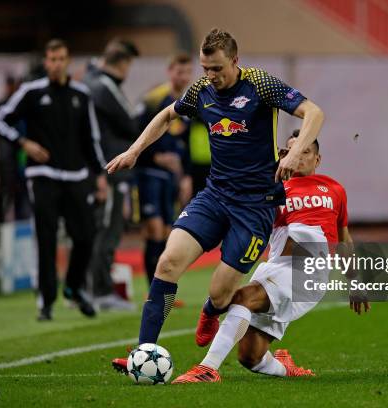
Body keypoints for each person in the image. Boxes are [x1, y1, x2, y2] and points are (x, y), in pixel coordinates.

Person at [106, 28, 324, 352]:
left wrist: (294, 153)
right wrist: (135, 150)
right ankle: (144, 351)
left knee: (221, 293)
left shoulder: (260, 84)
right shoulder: (201, 90)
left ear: (235, 61)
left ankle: (211, 310)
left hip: (255, 206)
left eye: (217, 69)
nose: (210, 76)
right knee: (167, 263)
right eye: (205, 68)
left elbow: (314, 113)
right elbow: (168, 114)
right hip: (215, 196)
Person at [169, 132, 369, 383]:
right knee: (250, 357)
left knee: (241, 297)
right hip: (275, 269)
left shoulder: (334, 189)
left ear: (317, 159)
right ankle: (285, 367)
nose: (298, 157)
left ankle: (208, 369)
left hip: (308, 271)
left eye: (305, 152)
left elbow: (344, 239)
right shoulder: (271, 189)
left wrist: (355, 281)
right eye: (291, 151)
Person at [0, 39, 107, 321]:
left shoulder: (81, 94)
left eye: (61, 59)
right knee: (46, 239)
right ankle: (46, 301)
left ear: (68, 62)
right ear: (46, 62)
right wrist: (23, 142)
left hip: (77, 175)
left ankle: (73, 286)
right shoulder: (31, 92)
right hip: (42, 176)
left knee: (86, 235)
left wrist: (101, 175)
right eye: (52, 59)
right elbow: (0, 118)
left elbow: (91, 139)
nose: (56, 64)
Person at [83, 38, 140, 311]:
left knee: (95, 230)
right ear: (122, 63)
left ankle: (84, 288)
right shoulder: (104, 86)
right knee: (108, 231)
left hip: (95, 170)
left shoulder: (88, 81)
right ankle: (101, 292)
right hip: (110, 169)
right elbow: (130, 123)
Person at [135, 53, 193, 297]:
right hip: (149, 174)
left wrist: (186, 176)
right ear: (170, 72)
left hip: (171, 178)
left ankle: (161, 291)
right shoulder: (153, 99)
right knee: (155, 230)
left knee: (169, 233)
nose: (183, 77)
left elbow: (185, 143)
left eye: (187, 72)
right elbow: (135, 135)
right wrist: (154, 157)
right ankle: (153, 292)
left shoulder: (187, 104)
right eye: (179, 72)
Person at [0, 73, 31, 223]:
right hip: (7, 155)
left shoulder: (24, 106)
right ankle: (1, 220)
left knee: (23, 188)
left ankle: (21, 219)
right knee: (6, 188)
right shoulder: (1, 106)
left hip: (23, 155)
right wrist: (14, 138)